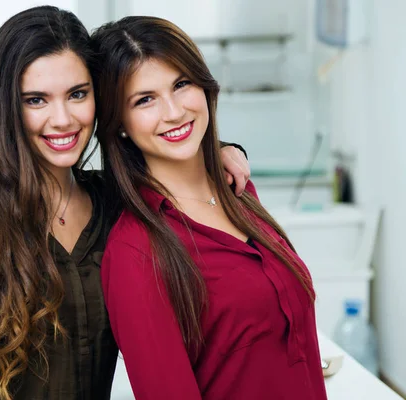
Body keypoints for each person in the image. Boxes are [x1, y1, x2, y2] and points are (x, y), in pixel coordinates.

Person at [0, 6, 250, 400]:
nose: (63, 119)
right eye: (36, 100)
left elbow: (171, 150)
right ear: (6, 108)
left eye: (77, 94)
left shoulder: (119, 202)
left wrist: (222, 150)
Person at [91, 16, 327, 400]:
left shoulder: (239, 190)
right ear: (120, 123)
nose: (173, 111)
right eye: (144, 100)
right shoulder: (136, 252)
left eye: (181, 84)